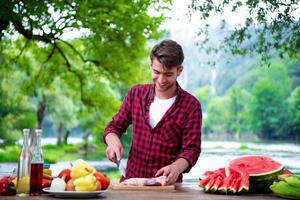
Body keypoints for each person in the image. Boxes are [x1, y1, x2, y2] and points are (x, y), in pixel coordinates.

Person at [103, 39, 202, 185]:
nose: (161, 80)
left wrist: (176, 167)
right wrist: (112, 142)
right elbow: (114, 127)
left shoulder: (191, 106)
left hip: (168, 188)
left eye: (168, 74)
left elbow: (191, 150)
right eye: (156, 72)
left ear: (179, 70)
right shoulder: (135, 94)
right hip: (130, 184)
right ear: (151, 66)